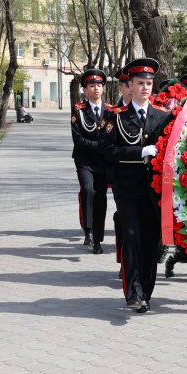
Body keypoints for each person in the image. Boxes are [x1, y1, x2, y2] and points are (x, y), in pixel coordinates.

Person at [101, 58, 172, 312]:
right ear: (129, 85)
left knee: (151, 241)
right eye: (140, 83)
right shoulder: (115, 116)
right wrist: (141, 152)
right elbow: (107, 150)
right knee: (131, 237)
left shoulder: (163, 116)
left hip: (154, 191)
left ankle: (146, 290)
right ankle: (133, 292)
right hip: (127, 187)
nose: (145, 87)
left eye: (149, 83)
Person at [71, 69, 109, 254]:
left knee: (100, 196)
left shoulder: (110, 110)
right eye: (92, 86)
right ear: (85, 90)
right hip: (84, 159)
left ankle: (98, 239)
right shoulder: (78, 110)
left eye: (99, 86)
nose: (96, 89)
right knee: (88, 190)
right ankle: (88, 230)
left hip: (103, 161)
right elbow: (78, 139)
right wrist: (100, 145)